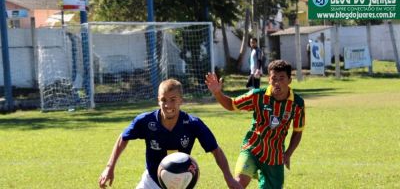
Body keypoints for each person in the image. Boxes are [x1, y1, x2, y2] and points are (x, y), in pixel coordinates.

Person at [98, 79, 242, 189]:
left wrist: (228, 177)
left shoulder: (193, 123)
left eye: (173, 100)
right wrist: (109, 167)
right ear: (158, 101)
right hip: (152, 181)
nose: (168, 105)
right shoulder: (145, 121)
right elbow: (123, 138)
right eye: (163, 100)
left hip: (182, 182)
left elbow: (216, 150)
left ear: (181, 100)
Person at [205, 60, 305, 189]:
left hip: (274, 157)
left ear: (289, 80)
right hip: (252, 149)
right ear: (269, 79)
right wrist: (217, 93)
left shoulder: (297, 104)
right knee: (238, 184)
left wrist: (288, 153)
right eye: (274, 78)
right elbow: (231, 104)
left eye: (282, 78)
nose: (277, 83)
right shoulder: (258, 96)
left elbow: (298, 131)